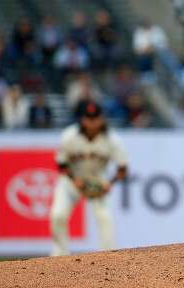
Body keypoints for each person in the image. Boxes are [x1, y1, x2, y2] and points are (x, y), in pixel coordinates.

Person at [49, 101, 128, 256]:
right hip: (72, 181)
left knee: (105, 219)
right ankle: (59, 255)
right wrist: (74, 180)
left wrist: (109, 184)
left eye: (95, 117)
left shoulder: (112, 139)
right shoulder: (69, 135)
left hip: (98, 181)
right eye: (88, 117)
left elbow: (122, 168)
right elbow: (61, 164)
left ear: (102, 118)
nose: (92, 122)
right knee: (58, 215)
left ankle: (108, 256)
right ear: (82, 119)